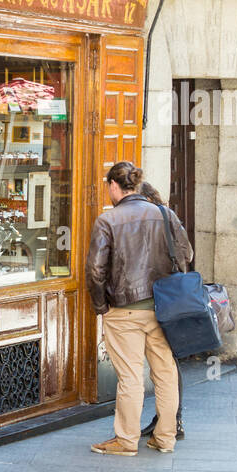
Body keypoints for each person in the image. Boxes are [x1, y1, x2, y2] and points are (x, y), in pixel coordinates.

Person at [86, 162, 193, 456]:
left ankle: (126, 440)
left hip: (124, 310)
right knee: (165, 373)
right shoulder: (164, 214)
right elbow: (186, 253)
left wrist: (101, 306)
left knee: (131, 377)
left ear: (113, 186)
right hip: (162, 308)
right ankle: (165, 438)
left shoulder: (108, 221)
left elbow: (95, 270)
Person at [135, 182, 184, 442]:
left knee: (163, 365)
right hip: (169, 297)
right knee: (168, 363)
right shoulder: (167, 216)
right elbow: (186, 252)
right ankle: (171, 422)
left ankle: (169, 422)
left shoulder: (134, 219)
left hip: (143, 300)